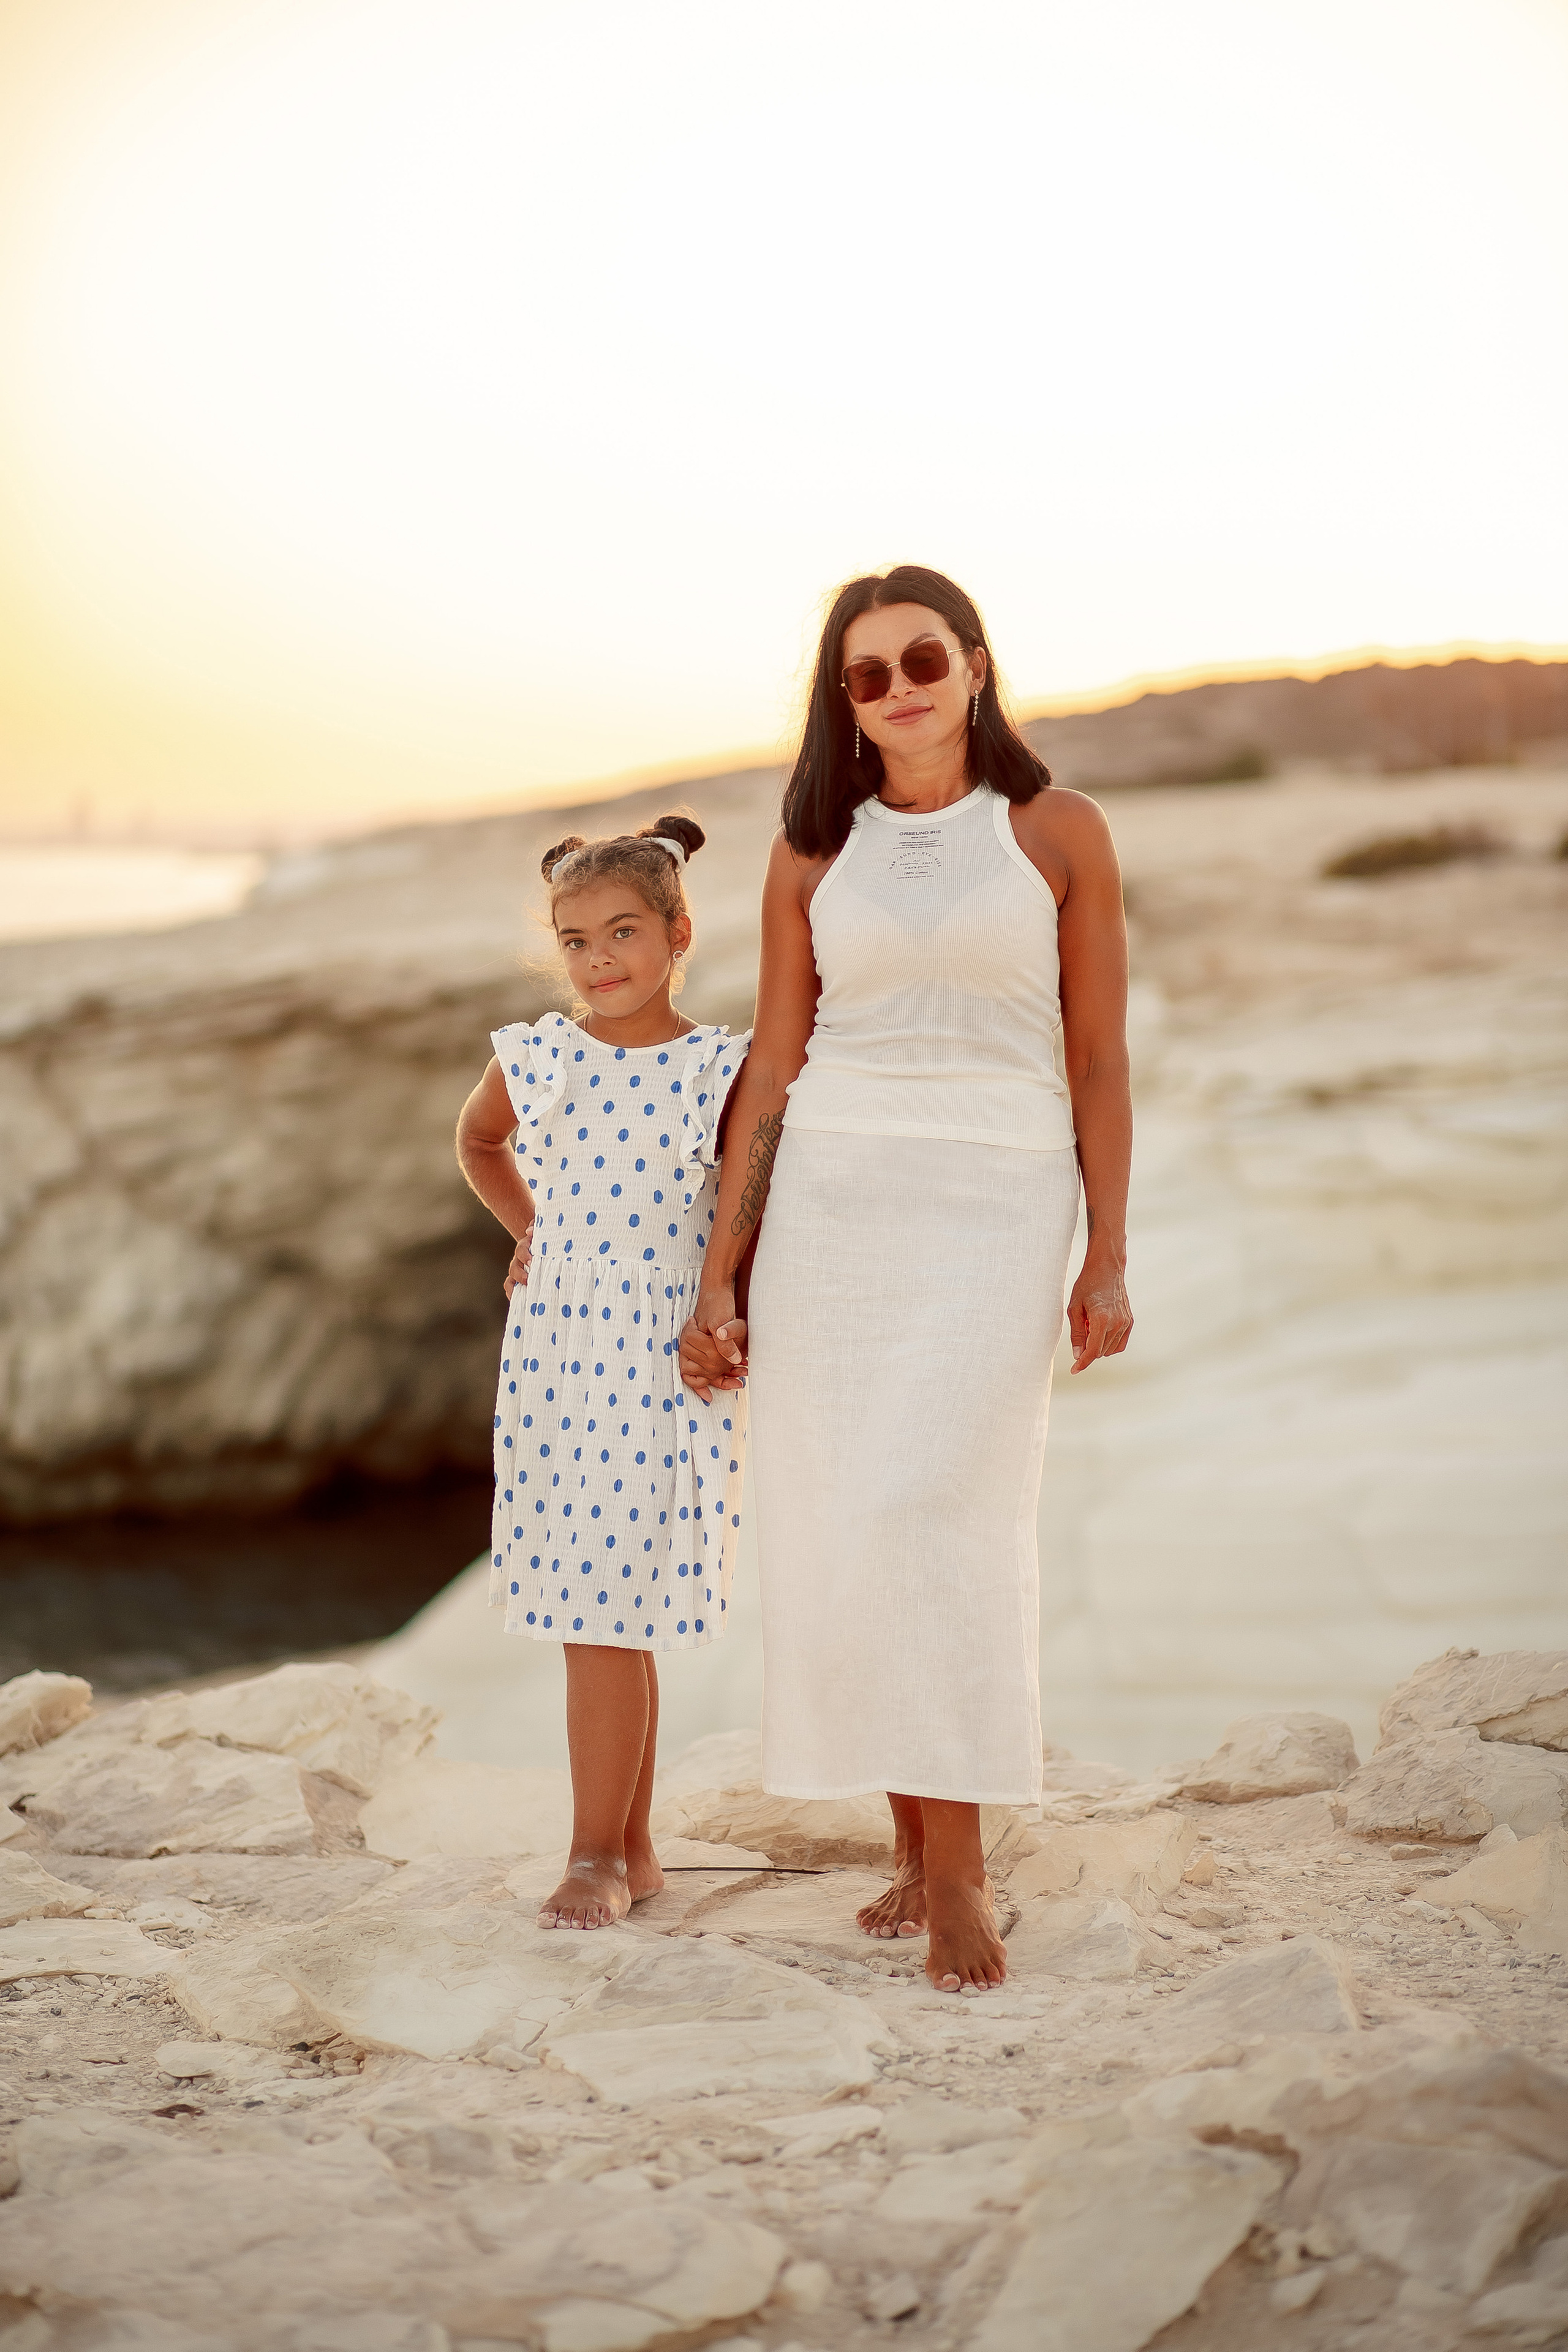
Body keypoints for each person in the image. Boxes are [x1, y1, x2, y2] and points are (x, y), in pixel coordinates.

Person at [680, 566, 1133, 1993]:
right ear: (845, 706)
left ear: (976, 665)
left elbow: (1099, 1058)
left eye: (919, 659)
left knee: (937, 1504)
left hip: (1000, 1205)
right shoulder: (815, 851)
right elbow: (770, 1066)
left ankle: (954, 1871)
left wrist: (1106, 1250)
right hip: (832, 1210)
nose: (897, 690)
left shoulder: (1056, 831)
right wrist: (718, 1278)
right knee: (857, 1518)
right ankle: (926, 1852)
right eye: (863, 677)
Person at [457, 812, 751, 1929]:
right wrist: (530, 1231)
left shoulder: (719, 1068)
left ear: (678, 933)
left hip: (655, 1364)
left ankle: (591, 1857)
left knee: (606, 1616)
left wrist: (724, 1315)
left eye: (623, 932)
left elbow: (748, 1206)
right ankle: (631, 1849)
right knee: (602, 1607)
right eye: (575, 940)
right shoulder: (536, 1058)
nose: (599, 961)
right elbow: (477, 1143)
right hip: (553, 1362)